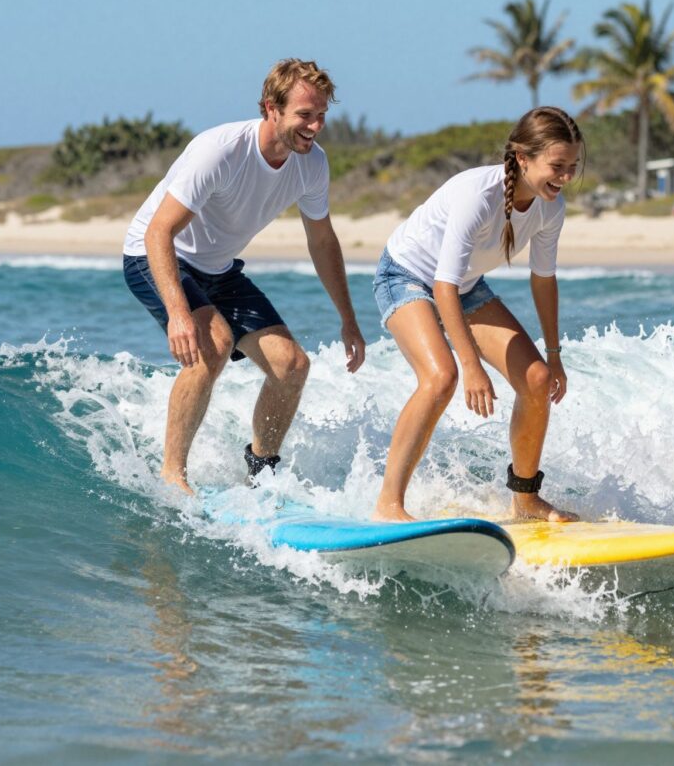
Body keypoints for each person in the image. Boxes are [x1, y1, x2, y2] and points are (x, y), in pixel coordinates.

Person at [122, 59, 367, 495]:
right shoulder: (220, 151)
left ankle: (261, 471)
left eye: (322, 116)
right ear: (270, 108)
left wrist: (348, 318)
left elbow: (323, 242)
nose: (316, 126)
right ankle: (172, 476)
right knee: (211, 343)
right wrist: (179, 313)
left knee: (292, 365)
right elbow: (160, 231)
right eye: (305, 115)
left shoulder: (312, 165)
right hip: (156, 253)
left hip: (219, 268)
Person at [370, 106, 582, 523]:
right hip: (407, 275)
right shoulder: (477, 194)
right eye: (558, 166)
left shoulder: (549, 207)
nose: (566, 177)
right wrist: (471, 365)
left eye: (573, 167)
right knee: (441, 377)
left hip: (464, 286)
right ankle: (389, 504)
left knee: (536, 379)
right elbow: (442, 285)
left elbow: (543, 280)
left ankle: (525, 498)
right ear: (523, 157)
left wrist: (554, 354)